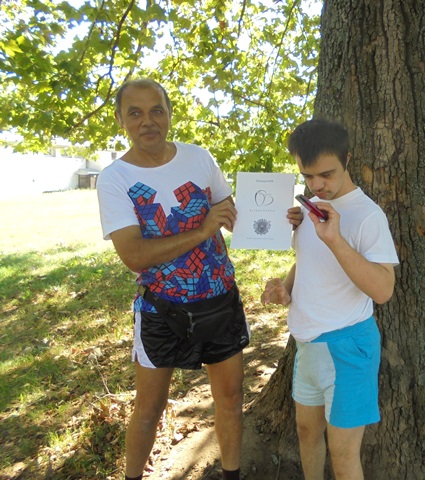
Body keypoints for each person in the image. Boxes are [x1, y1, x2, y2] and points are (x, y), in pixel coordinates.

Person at [96, 78, 301, 480]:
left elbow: (230, 213)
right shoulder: (114, 178)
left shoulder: (199, 157)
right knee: (149, 409)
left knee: (231, 398)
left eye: (157, 110)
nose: (147, 121)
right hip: (162, 310)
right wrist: (202, 230)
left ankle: (231, 476)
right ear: (120, 119)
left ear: (170, 114)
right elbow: (133, 254)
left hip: (219, 299)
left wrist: (279, 217)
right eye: (135, 112)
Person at [261, 119, 399, 480]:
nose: (317, 185)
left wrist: (336, 239)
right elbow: (307, 262)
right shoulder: (311, 208)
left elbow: (383, 290)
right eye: (307, 176)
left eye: (326, 174)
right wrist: (286, 290)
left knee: (343, 454)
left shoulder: (368, 215)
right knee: (307, 434)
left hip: (348, 346)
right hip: (308, 344)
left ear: (347, 158)